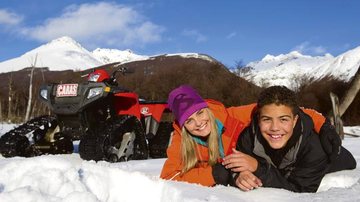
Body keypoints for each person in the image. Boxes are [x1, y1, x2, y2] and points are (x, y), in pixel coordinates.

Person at [160, 85, 340, 187]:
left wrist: (323, 125)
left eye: (200, 113)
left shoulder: (233, 116)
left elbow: (286, 109)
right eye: (189, 121)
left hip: (276, 161)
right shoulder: (181, 139)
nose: (198, 123)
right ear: (183, 126)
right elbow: (169, 177)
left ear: (207, 109)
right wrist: (215, 174)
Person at [223, 85, 356, 192]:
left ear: (294, 120)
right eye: (267, 119)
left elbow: (298, 190)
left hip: (335, 160)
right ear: (258, 119)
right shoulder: (248, 137)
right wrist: (241, 174)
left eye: (283, 119)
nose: (275, 127)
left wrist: (258, 168)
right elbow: (235, 165)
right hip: (283, 168)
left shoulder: (314, 148)